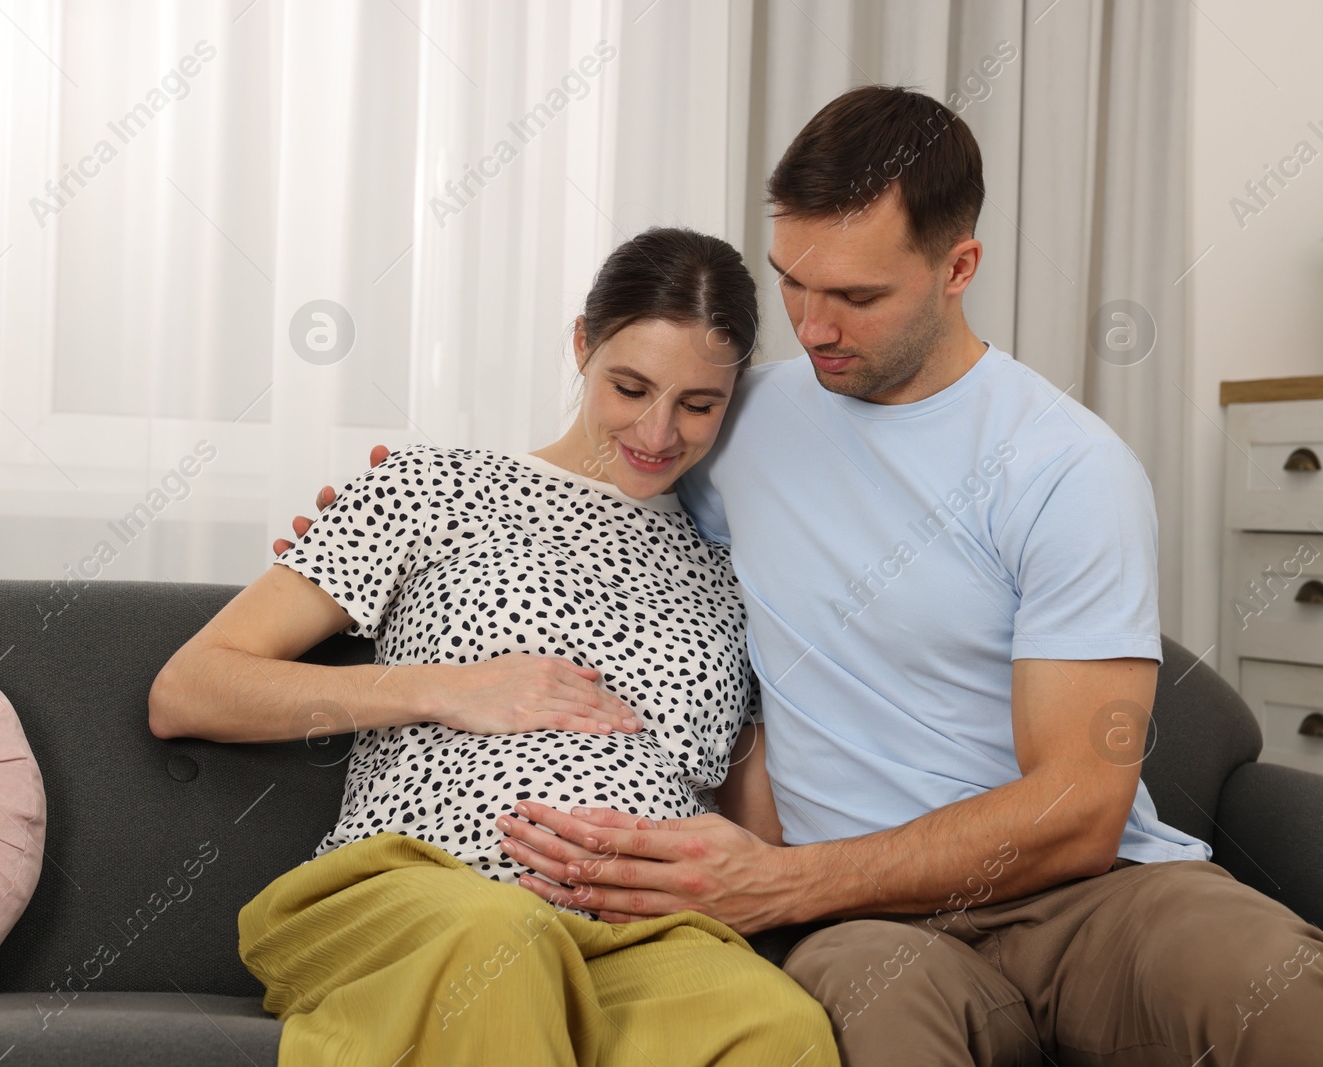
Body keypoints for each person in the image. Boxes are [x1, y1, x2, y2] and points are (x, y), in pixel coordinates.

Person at [292, 87, 1323, 1065]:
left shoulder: (1067, 466)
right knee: (861, 1024)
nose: (814, 325)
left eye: (858, 294)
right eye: (793, 281)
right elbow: (601, 494)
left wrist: (781, 879)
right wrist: (399, 512)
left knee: (1274, 986)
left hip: (1094, 893)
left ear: (958, 266)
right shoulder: (738, 418)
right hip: (868, 925)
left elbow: (1080, 804)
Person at [149, 227, 838, 1066]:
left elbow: (755, 821)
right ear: (582, 344)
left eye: (699, 404)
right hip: (432, 891)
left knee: (780, 1026)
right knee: (504, 943)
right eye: (631, 386)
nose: (659, 431)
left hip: (644, 933)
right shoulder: (432, 486)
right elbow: (189, 687)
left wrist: (747, 865)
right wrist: (446, 688)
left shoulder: (732, 576)